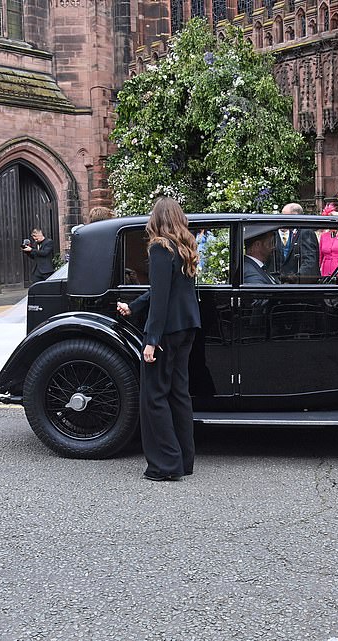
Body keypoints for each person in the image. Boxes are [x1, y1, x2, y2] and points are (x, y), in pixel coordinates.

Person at [115, 197, 201, 482]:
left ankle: (165, 464)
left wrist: (151, 340)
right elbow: (162, 291)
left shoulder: (160, 248)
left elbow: (161, 298)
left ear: (156, 219)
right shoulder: (184, 247)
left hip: (167, 331)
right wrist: (134, 306)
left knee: (154, 396)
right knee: (178, 393)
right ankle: (184, 460)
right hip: (186, 326)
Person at [270, 202, 319, 281]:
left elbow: (309, 263)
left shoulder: (306, 232)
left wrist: (294, 280)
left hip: (300, 285)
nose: (281, 218)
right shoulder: (293, 232)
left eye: (284, 216)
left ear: (295, 215)